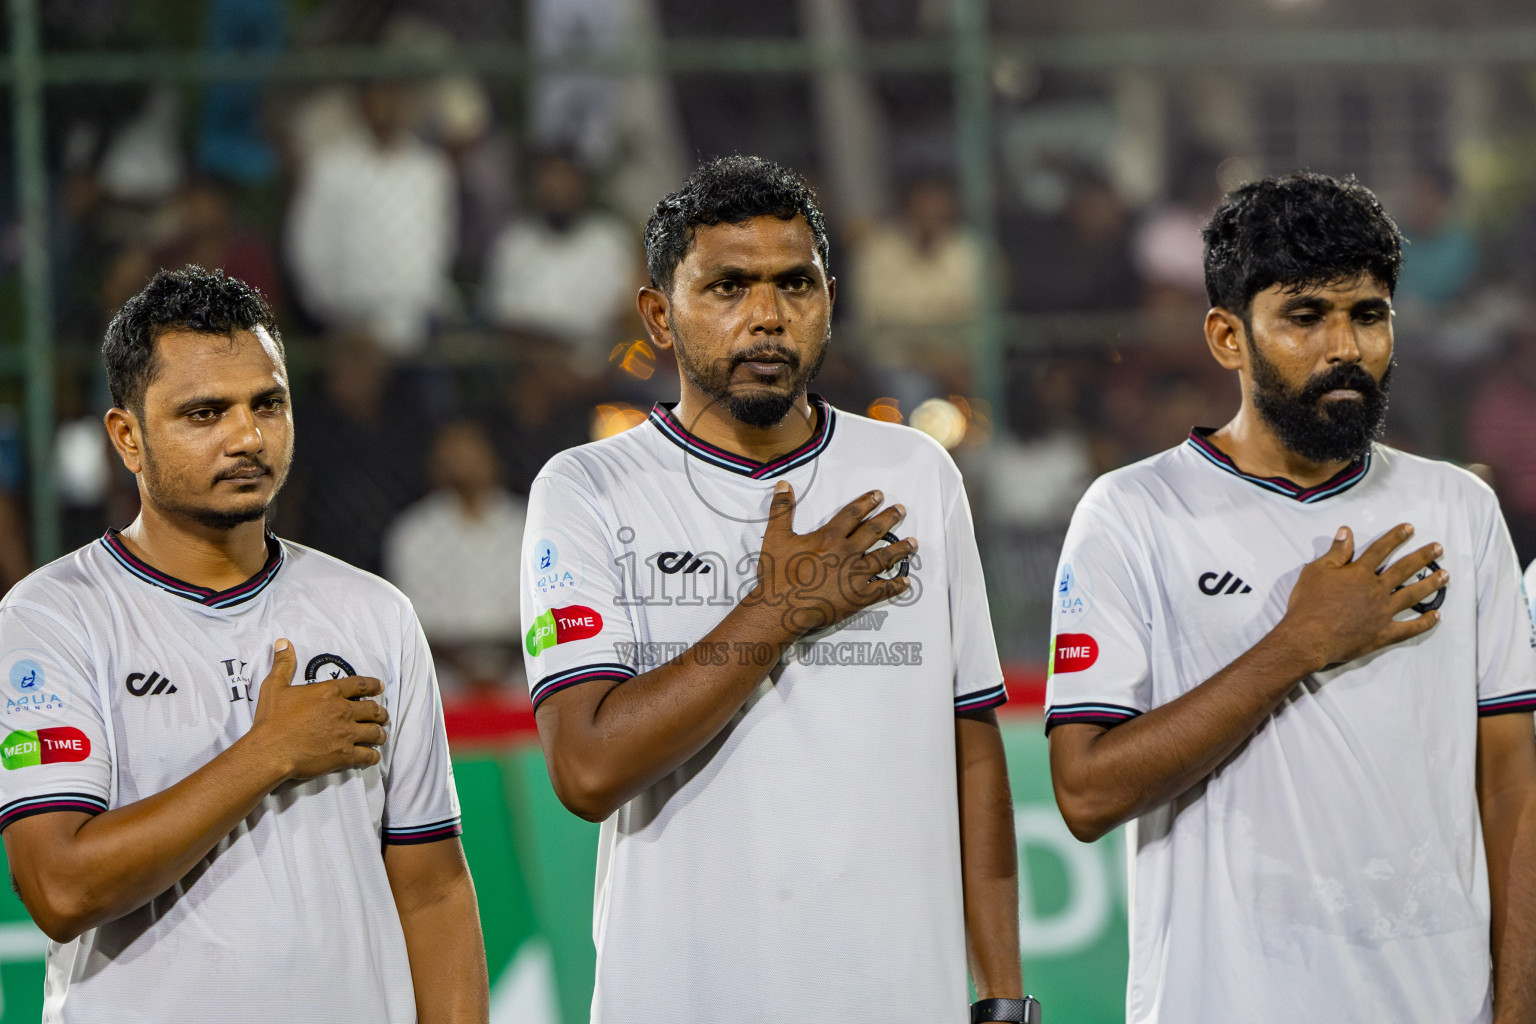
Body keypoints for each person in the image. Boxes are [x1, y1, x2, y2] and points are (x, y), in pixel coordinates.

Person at [519, 155, 1031, 1023]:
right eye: (727, 287)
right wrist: (782, 608)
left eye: (795, 284)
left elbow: (971, 748)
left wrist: (1004, 998)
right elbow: (587, 767)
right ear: (660, 315)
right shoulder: (586, 490)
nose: (766, 317)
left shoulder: (914, 473)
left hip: (900, 996)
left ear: (830, 298)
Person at [1046, 172, 1536, 1022]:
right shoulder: (1133, 515)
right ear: (1227, 336)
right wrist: (1297, 643)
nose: (1344, 346)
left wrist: (1520, 1005)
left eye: (1369, 314)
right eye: (1306, 317)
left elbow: (1512, 790)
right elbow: (1087, 793)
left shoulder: (1460, 509)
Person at [0, 267, 489, 1022]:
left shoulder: (373, 614)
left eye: (268, 403)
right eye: (205, 413)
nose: (248, 437)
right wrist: (269, 754)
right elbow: (62, 890)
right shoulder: (52, 619)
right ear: (127, 437)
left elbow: (434, 891)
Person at [285, 79, 456, 355]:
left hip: (414, 327)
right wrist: (338, 317)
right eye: (375, 97)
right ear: (360, 105)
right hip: (346, 326)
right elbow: (309, 250)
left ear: (404, 104)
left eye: (391, 97)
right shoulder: (331, 167)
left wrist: (412, 311)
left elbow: (439, 246)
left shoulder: (431, 170)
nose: (383, 107)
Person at [385, 420, 527, 692]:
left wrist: (499, 672)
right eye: (452, 455)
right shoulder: (414, 531)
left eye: (471, 453)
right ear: (435, 464)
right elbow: (413, 621)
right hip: (443, 683)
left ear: (494, 457)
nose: (463, 465)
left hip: (521, 679)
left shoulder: (528, 525)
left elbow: (546, 613)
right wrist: (468, 674)